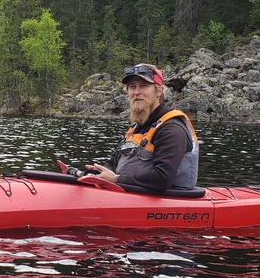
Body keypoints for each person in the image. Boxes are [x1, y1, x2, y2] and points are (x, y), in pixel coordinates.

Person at [84, 63, 200, 194]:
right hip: (131, 194)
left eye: (144, 86)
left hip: (169, 200)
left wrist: (116, 179)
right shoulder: (138, 127)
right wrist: (96, 174)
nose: (136, 92)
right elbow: (113, 163)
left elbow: (162, 178)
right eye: (132, 87)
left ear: (159, 91)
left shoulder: (172, 128)